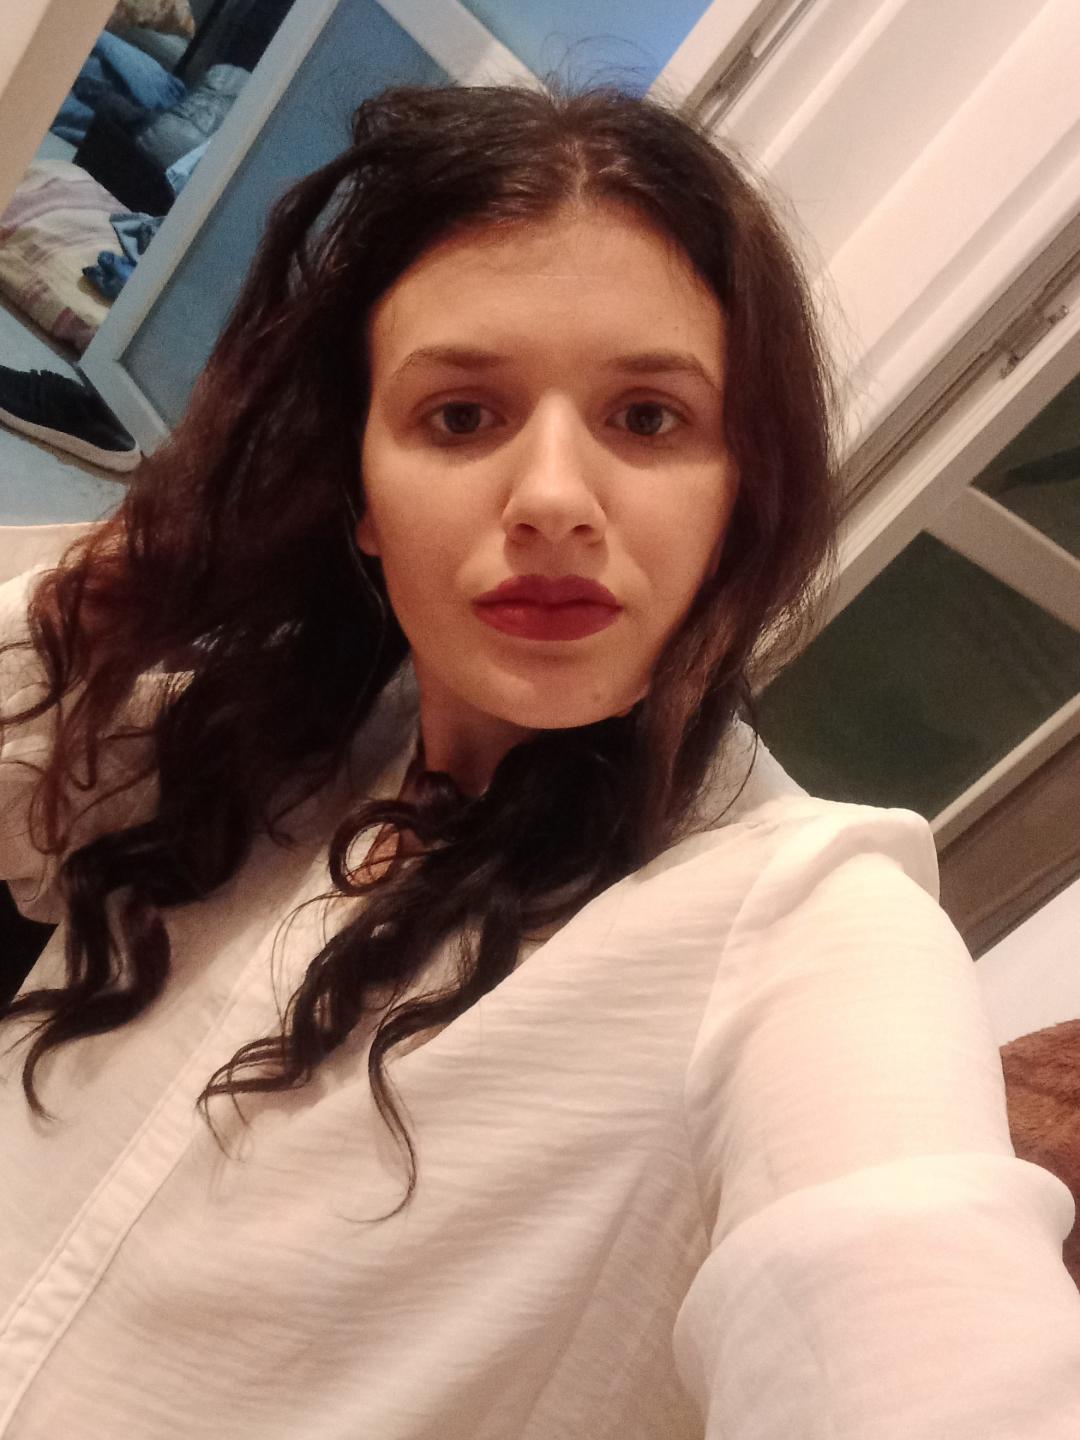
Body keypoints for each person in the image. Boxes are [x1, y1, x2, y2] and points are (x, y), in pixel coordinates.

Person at [0, 82, 1078, 1440]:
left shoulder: (807, 927)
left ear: (742, 491)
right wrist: (159, 560)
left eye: (649, 419)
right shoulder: (258, 728)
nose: (556, 499)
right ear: (360, 493)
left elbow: (915, 1315)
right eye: (460, 418)